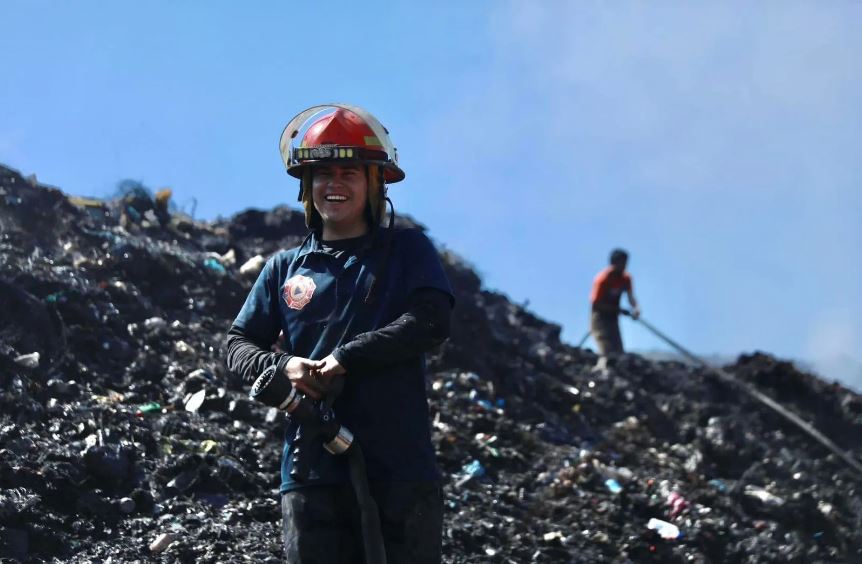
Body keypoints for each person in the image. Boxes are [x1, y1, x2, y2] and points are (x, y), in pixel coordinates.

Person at [224, 104, 453, 563]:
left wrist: (347, 357)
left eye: (350, 172)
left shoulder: (408, 250)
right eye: (322, 173)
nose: (335, 184)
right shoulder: (284, 269)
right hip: (311, 472)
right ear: (306, 188)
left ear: (376, 183)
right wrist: (283, 364)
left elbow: (431, 320)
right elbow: (236, 345)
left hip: (400, 470)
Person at [589, 248, 639, 369]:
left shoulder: (625, 278)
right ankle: (599, 373)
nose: (625, 266)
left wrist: (636, 308)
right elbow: (596, 304)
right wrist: (619, 310)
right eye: (622, 262)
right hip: (600, 318)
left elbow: (631, 297)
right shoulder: (603, 279)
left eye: (626, 262)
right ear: (614, 262)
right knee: (606, 350)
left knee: (618, 351)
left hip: (613, 319)